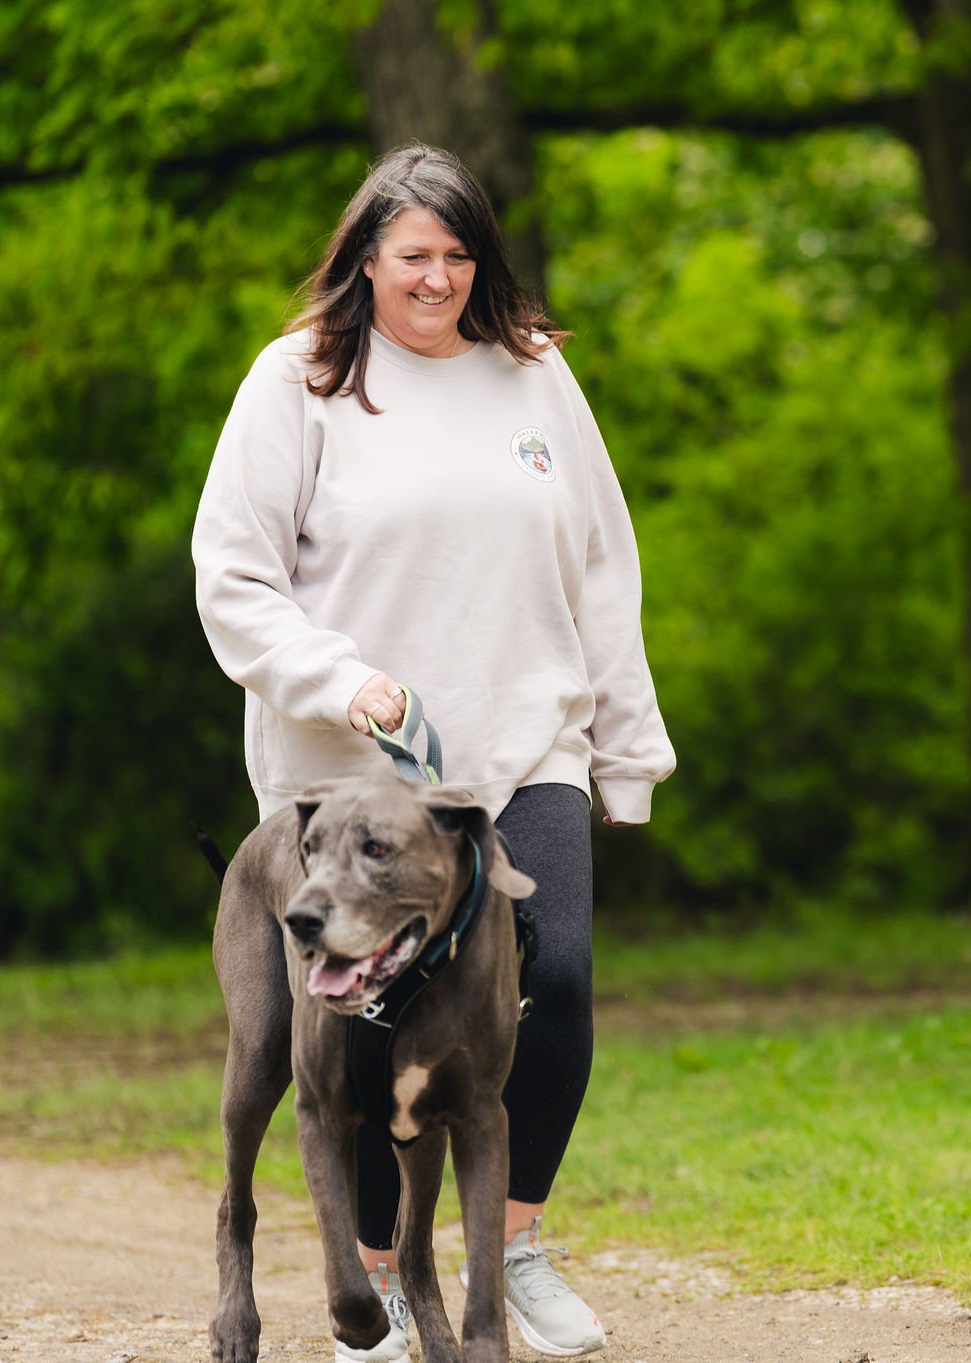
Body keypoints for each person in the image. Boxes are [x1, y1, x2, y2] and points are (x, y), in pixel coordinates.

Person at [192, 141, 674, 1360]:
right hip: (345, 773)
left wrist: (626, 745)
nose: (438, 280)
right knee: (356, 1012)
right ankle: (376, 1279)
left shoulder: (535, 377)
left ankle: (507, 1249)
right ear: (364, 259)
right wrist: (343, 681)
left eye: (460, 256)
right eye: (415, 256)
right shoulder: (293, 382)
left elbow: (602, 565)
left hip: (522, 743)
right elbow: (233, 581)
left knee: (553, 979)